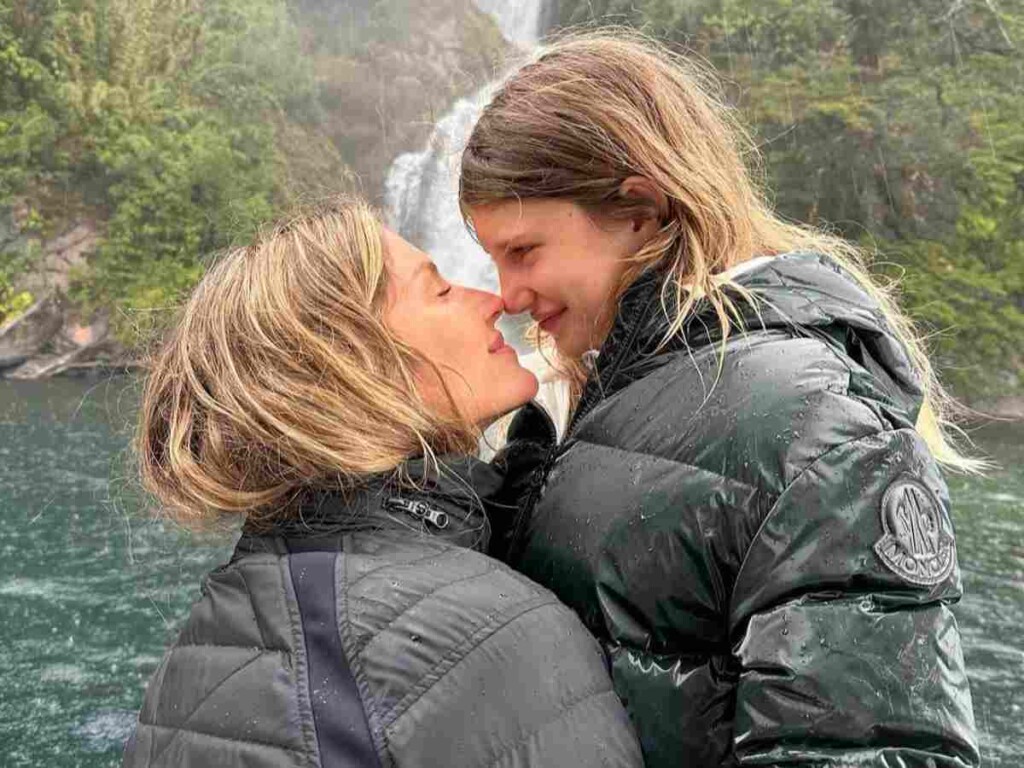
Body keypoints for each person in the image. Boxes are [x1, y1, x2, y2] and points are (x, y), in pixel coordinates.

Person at [459, 30, 982, 767]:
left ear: (640, 207)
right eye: (491, 258)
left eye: (524, 251)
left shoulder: (817, 432)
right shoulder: (613, 396)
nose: (507, 295)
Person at [122, 198, 643, 767]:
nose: (495, 300)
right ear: (355, 363)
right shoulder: (488, 633)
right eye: (440, 290)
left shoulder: (194, 655)